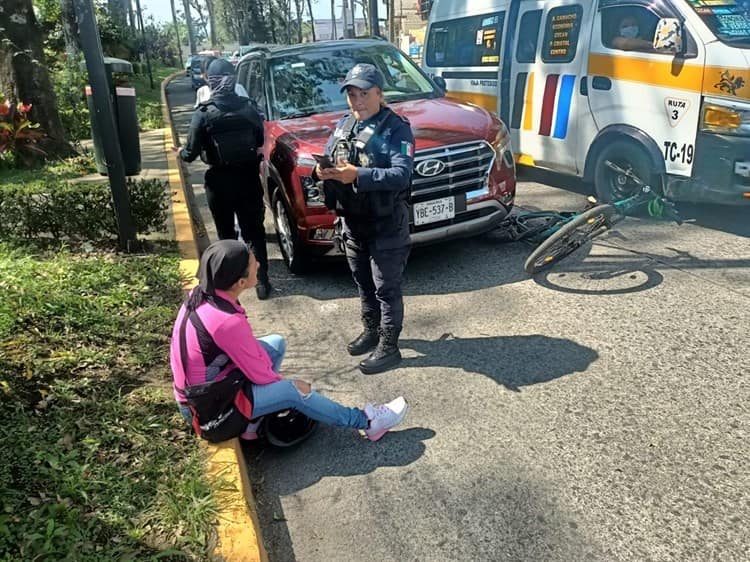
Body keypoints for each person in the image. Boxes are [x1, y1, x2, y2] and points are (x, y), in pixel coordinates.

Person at [169, 240, 409, 443]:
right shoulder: (225, 321)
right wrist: (290, 388)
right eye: (254, 265)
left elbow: (250, 357)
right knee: (294, 392)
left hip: (210, 393)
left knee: (275, 344)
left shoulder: (204, 293)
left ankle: (252, 423)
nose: (259, 265)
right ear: (240, 283)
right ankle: (367, 421)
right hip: (211, 414)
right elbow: (260, 375)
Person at [314, 63, 415, 375]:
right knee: (363, 283)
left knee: (386, 287)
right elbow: (331, 157)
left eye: (364, 94)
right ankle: (371, 331)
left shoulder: (396, 128)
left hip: (386, 222)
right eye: (352, 94)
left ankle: (389, 346)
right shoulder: (345, 125)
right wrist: (324, 171)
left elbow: (401, 174)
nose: (357, 100)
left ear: (380, 94)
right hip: (354, 222)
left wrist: (358, 174)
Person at [179, 58, 273, 300]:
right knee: (254, 232)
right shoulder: (249, 108)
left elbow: (190, 153)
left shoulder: (204, 114)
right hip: (248, 178)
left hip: (219, 182)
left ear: (210, 82)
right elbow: (260, 140)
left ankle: (233, 287)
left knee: (226, 234)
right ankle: (263, 283)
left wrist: (179, 152)